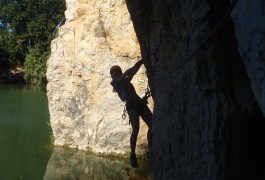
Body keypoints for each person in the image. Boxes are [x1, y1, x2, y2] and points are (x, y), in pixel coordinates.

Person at [110, 59, 152, 168]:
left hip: (139, 103)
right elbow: (126, 74)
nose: (114, 74)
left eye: (115, 72)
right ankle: (132, 155)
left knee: (153, 125)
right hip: (131, 106)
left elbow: (131, 73)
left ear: (118, 72)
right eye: (112, 73)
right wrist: (138, 64)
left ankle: (152, 148)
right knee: (136, 130)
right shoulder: (115, 83)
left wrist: (138, 65)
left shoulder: (125, 81)